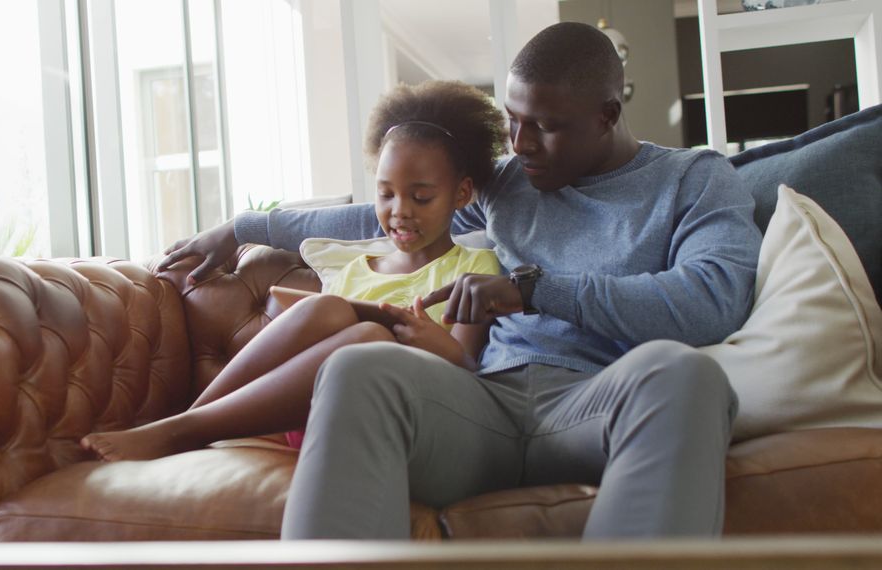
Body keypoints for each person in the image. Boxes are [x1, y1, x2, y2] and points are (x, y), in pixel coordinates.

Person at [156, 22, 763, 539]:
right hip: (483, 406)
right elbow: (382, 215)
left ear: (607, 115)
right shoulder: (509, 182)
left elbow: (712, 300)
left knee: (687, 376)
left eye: (545, 126)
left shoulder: (693, 179)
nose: (520, 145)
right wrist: (243, 227)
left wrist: (532, 288)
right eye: (513, 119)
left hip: (597, 402)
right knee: (357, 366)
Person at [81, 80, 505, 462]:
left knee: (370, 336)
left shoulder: (474, 268)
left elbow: (469, 369)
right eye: (386, 194)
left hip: (409, 414)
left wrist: (434, 343)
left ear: (461, 193)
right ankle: (186, 424)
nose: (400, 211)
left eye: (421, 197)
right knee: (329, 311)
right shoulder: (356, 269)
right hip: (318, 412)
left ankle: (186, 430)